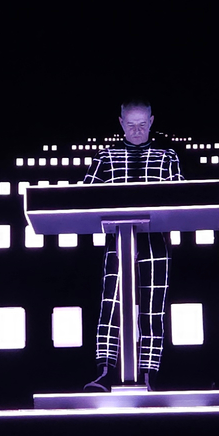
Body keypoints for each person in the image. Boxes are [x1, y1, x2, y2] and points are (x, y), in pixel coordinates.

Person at [82, 99, 182, 391]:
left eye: (142, 124)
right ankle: (105, 372)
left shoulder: (167, 156)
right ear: (121, 124)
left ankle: (149, 375)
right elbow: (84, 197)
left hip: (156, 241)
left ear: (151, 122)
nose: (137, 131)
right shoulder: (105, 157)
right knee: (111, 305)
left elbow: (181, 195)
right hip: (118, 240)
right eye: (130, 125)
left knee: (153, 309)